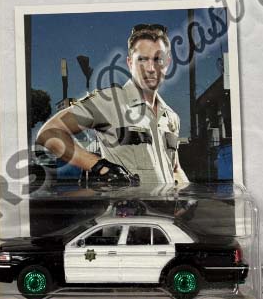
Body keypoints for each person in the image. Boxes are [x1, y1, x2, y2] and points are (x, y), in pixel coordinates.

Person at [36, 23, 189, 186]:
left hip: (166, 202)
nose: (151, 68)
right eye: (142, 59)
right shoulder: (109, 101)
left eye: (158, 59)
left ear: (167, 63)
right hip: (127, 202)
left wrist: (186, 194)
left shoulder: (171, 117)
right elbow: (49, 132)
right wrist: (99, 166)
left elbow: (175, 169)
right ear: (130, 63)